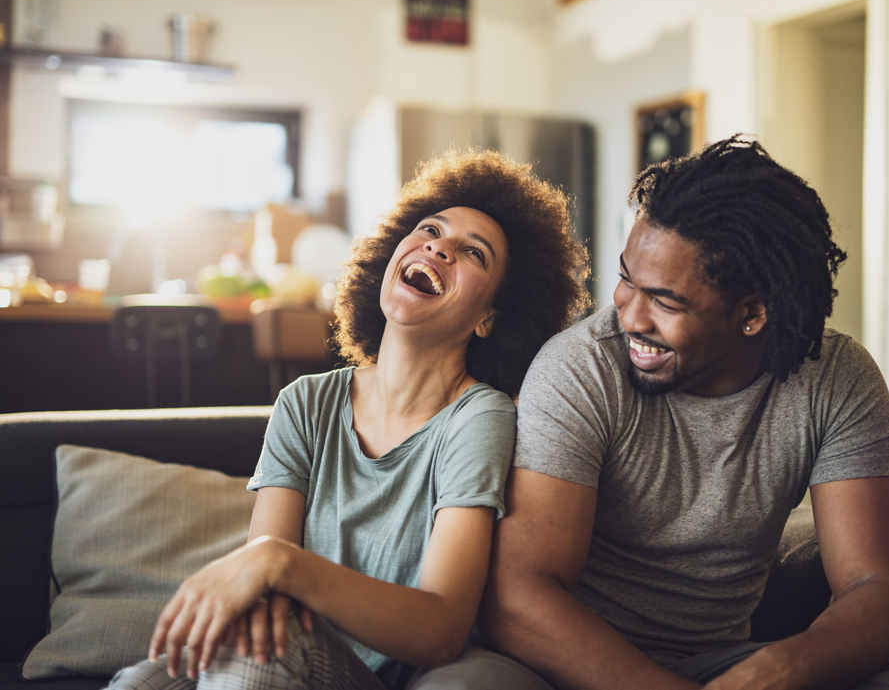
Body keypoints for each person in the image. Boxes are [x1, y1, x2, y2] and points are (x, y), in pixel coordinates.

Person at [419, 137, 889, 690]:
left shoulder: (835, 379)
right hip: (559, 663)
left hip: (719, 663)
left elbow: (880, 591)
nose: (629, 315)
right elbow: (519, 600)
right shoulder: (580, 368)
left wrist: (780, 671)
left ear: (753, 313)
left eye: (665, 301)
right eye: (625, 279)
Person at [104, 150, 590, 690]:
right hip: (289, 654)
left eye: (473, 253)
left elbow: (443, 628)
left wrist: (281, 566)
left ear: (489, 319)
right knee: (145, 680)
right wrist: (269, 574)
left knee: (257, 659)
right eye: (430, 228)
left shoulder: (478, 418)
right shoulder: (304, 403)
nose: (439, 246)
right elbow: (267, 591)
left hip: (366, 674)